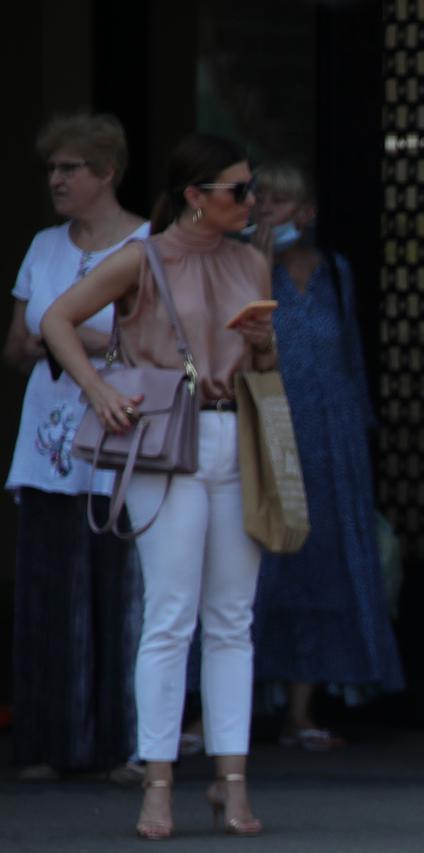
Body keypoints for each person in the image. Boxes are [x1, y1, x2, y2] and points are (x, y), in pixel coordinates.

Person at [41, 132, 276, 839]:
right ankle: (159, 783)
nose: (251, 201)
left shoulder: (251, 261)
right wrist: (96, 390)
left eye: (251, 186)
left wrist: (264, 345)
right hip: (162, 440)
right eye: (238, 190)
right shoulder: (143, 258)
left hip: (235, 433)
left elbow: (262, 367)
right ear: (195, 198)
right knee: (171, 614)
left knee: (233, 618)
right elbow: (55, 317)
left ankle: (232, 784)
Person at [3, 113, 148, 782]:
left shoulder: (150, 243)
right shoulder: (42, 244)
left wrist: (76, 338)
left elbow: (158, 346)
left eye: (70, 169)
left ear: (106, 173)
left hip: (122, 435)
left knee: (124, 594)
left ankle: (128, 744)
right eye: (52, 169)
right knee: (48, 590)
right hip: (47, 439)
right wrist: (49, 339)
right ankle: (50, 742)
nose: (56, 180)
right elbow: (15, 346)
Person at [246, 163, 403, 746]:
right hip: (270, 438)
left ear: (305, 213)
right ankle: (221, 716)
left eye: (279, 203)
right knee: (260, 574)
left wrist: (362, 433)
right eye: (258, 202)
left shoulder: (335, 273)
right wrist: (256, 271)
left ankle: (302, 713)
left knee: (322, 573)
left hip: (332, 446)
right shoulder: (241, 269)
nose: (266, 213)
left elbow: (351, 360)